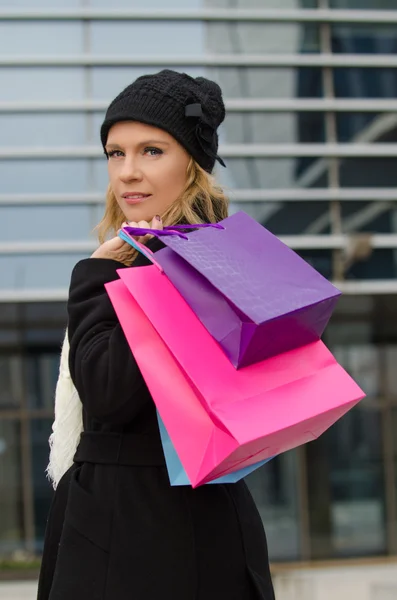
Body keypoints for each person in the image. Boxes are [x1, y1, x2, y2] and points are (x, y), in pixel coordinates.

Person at [37, 69, 276, 600]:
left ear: (192, 163)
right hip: (194, 520)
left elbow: (107, 390)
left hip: (137, 534)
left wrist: (93, 278)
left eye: (150, 151)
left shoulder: (181, 266)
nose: (127, 172)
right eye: (115, 153)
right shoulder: (227, 263)